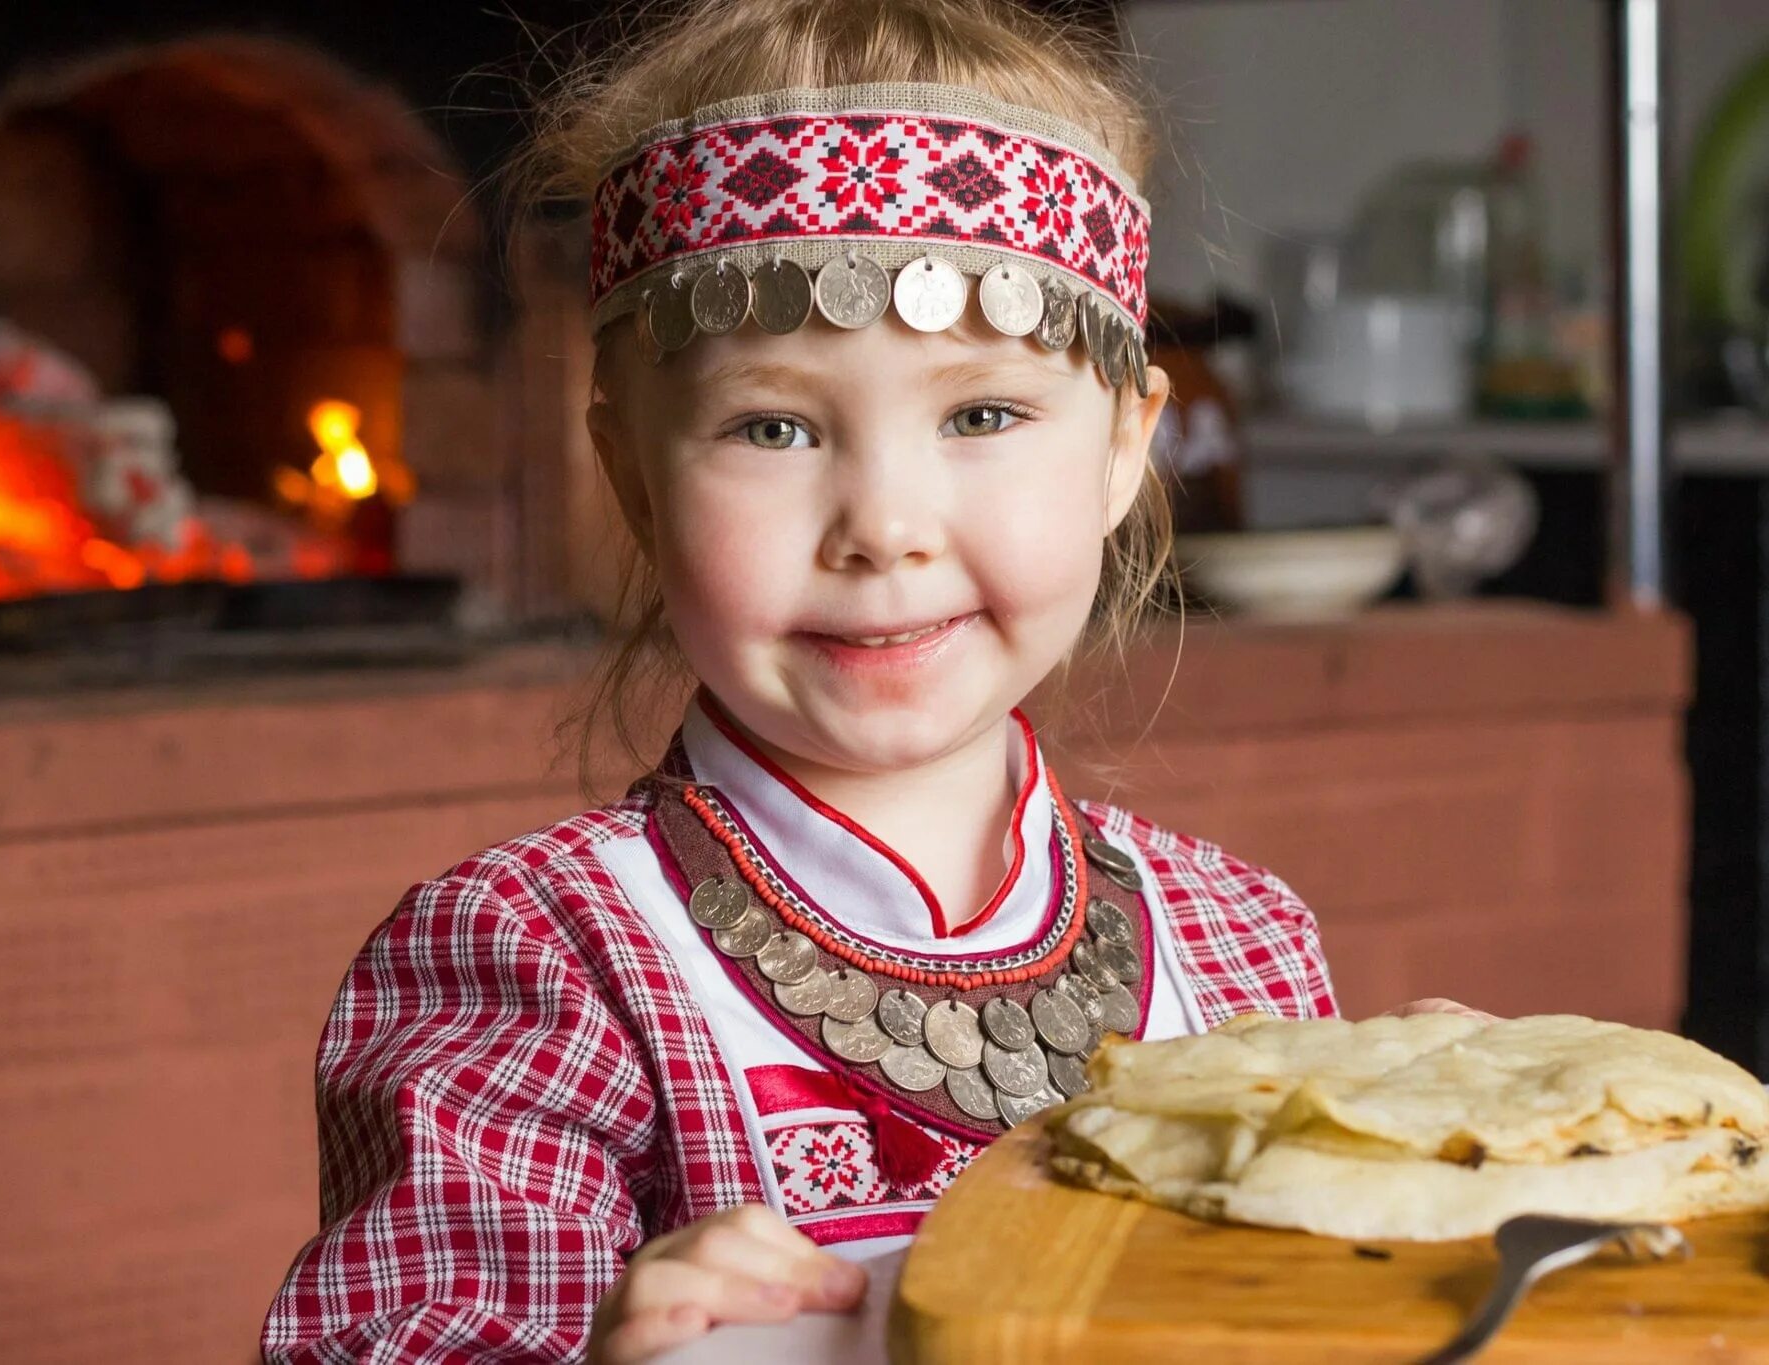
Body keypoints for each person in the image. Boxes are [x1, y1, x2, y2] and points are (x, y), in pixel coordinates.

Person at [258, 1, 1457, 1359]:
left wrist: (1428, 1187)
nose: (884, 523)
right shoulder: (540, 958)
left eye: (982, 414)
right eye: (772, 425)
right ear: (632, 474)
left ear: (1124, 452)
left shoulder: (1243, 946)